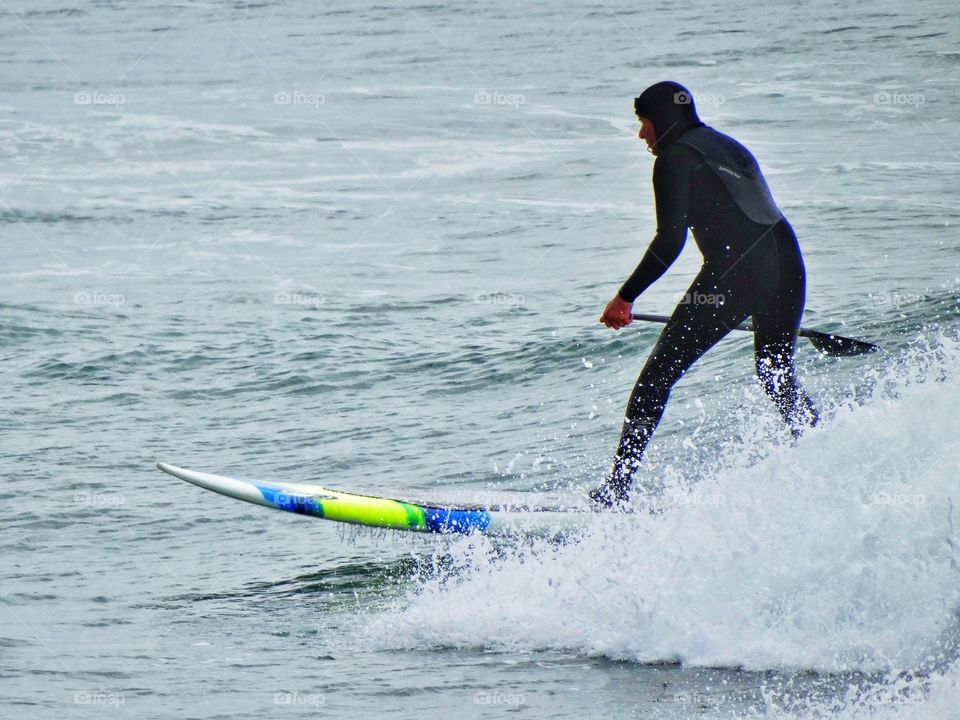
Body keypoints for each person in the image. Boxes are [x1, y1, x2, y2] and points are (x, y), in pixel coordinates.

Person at [589, 81, 819, 508]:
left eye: (644, 123)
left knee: (656, 378)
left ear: (663, 120)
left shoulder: (675, 158)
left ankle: (615, 492)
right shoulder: (725, 146)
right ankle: (824, 452)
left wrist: (625, 297)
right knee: (776, 375)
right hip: (788, 263)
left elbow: (670, 240)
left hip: (738, 272)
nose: (642, 135)